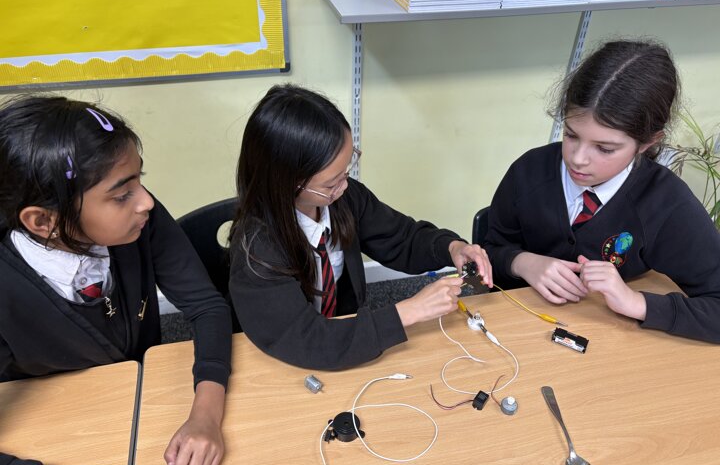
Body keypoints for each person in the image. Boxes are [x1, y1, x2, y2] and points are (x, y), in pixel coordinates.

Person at [0, 96, 233, 465]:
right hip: (56, 428)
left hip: (141, 399)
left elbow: (206, 306)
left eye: (139, 181)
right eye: (122, 195)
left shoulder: (138, 220)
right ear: (43, 221)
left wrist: (206, 415)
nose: (146, 202)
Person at [228, 84, 493, 370]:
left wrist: (451, 247)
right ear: (288, 183)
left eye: (347, 169)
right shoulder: (257, 251)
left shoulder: (344, 199)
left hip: (344, 336)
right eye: (331, 183)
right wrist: (408, 312)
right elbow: (307, 340)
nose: (344, 186)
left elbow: (401, 238)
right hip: (288, 361)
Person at [484, 39, 720, 343]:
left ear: (647, 143)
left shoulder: (666, 204)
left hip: (608, 340)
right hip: (513, 330)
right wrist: (520, 262)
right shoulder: (529, 172)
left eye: (605, 148)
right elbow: (486, 254)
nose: (578, 158)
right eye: (571, 135)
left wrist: (637, 302)